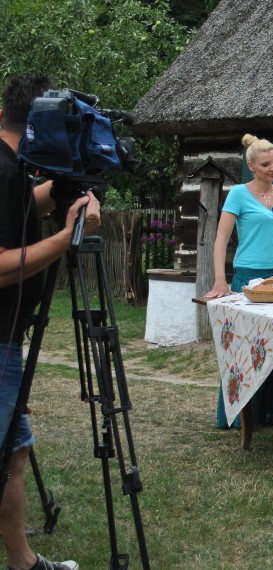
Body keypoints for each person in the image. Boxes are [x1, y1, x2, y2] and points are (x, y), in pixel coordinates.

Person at [1, 72, 99, 570]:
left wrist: (63, 192)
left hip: (8, 338)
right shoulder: (2, 171)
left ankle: (23, 562)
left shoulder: (15, 170)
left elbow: (21, 208)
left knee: (15, 453)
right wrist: (62, 241)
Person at [205, 133, 273, 428]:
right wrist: (220, 281)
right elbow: (221, 238)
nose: (272, 168)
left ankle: (267, 411)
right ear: (252, 166)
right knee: (243, 348)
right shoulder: (238, 194)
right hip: (248, 278)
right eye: (265, 164)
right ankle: (238, 416)